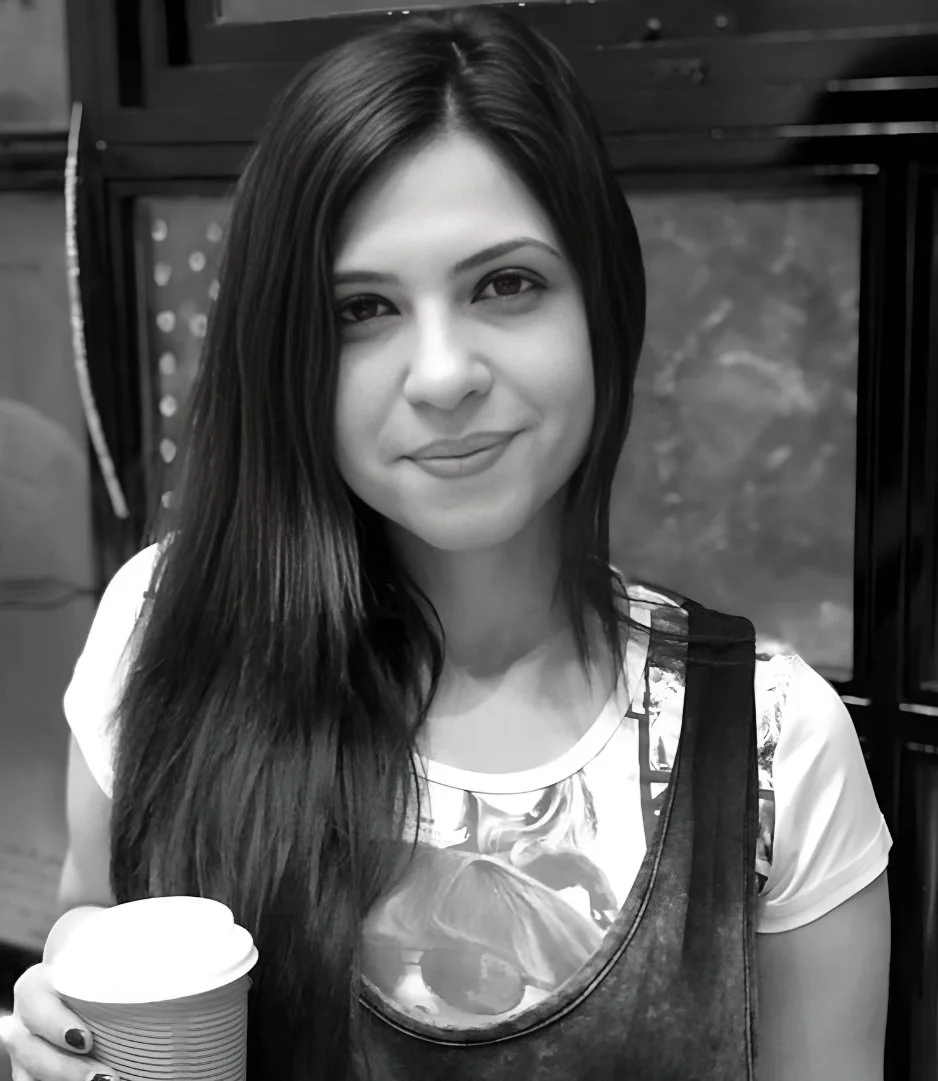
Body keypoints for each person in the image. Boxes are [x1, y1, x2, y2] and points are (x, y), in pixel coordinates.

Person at [0, 7, 891, 1080]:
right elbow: (92, 914)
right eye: (361, 309)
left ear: (602, 304)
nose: (441, 374)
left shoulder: (769, 741)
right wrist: (59, 1018)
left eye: (504, 284)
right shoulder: (165, 622)